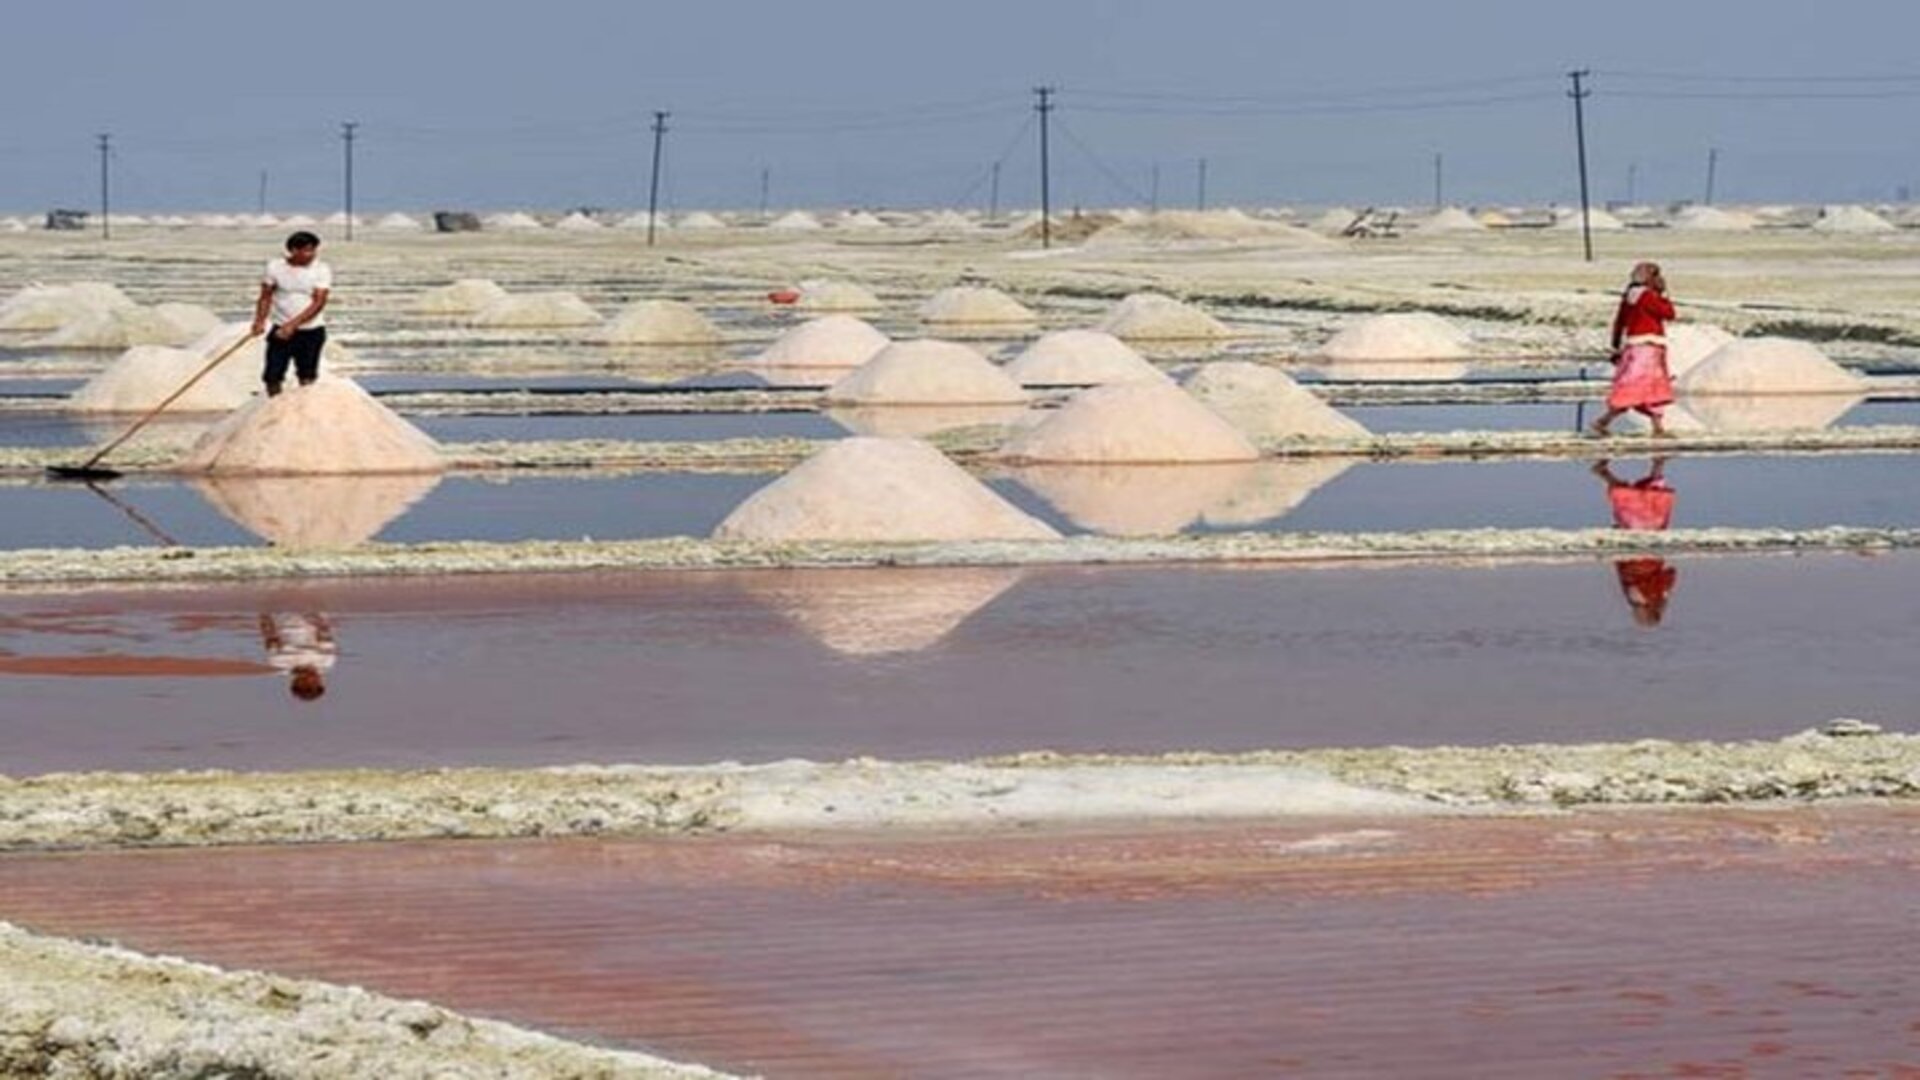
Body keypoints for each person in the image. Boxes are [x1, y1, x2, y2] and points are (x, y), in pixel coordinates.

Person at [1590, 261, 1677, 437]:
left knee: (1637, 384)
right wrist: (1664, 294)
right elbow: (1669, 313)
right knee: (1645, 385)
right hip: (1649, 345)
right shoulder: (1648, 297)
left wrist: (1616, 344)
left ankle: (1656, 426)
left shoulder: (1629, 296)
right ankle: (1604, 420)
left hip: (1634, 345)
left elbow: (1620, 321)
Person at [1591, 457, 1678, 627]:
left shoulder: (1646, 597)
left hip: (1645, 551)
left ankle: (1657, 464)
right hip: (1643, 553)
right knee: (1641, 500)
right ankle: (1656, 464)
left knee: (1647, 500)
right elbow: (1628, 575)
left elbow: (1667, 575)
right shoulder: (1644, 598)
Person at [250, 230, 332, 396]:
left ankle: (305, 412)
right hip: (280, 329)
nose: (312, 254)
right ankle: (274, 408)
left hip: (310, 330)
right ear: (294, 250)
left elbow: (319, 302)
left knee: (307, 376)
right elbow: (266, 296)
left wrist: (293, 325)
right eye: (307, 250)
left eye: (314, 250)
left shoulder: (321, 269)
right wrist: (259, 321)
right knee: (272, 376)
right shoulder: (275, 267)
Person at [259, 610, 336, 701]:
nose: (310, 679)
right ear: (320, 683)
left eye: (304, 683)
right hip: (309, 615)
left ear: (294, 683)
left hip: (281, 615)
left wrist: (263, 611)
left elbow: (268, 633)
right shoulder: (325, 662)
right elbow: (325, 631)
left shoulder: (279, 664)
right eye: (314, 682)